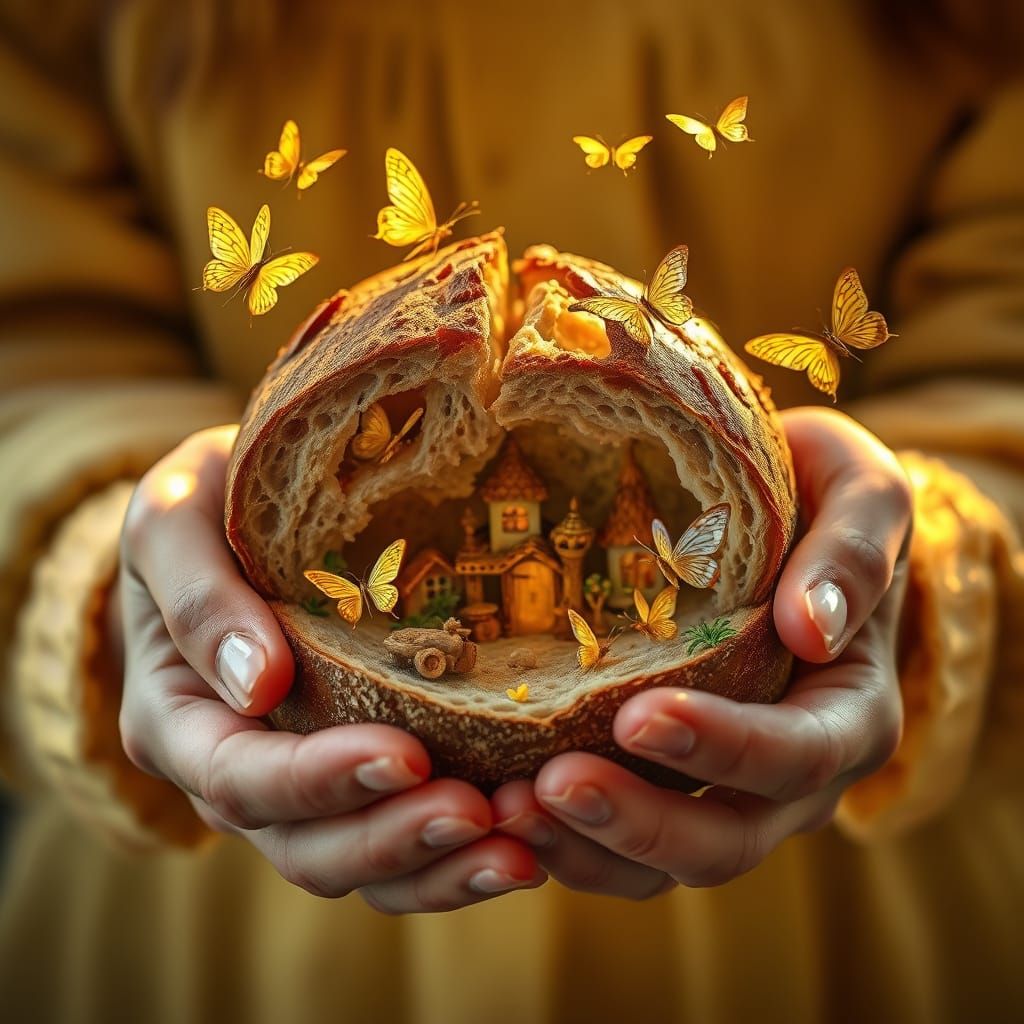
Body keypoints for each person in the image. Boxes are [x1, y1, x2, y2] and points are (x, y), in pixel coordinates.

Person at [1, 1, 1022, 1020]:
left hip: (851, 932)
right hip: (215, 933)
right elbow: (36, 345)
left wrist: (917, 582)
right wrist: (119, 578)